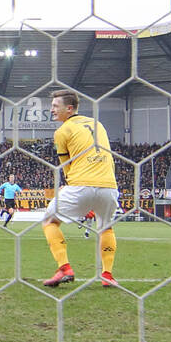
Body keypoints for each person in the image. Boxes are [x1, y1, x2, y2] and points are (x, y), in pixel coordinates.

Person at [41, 90, 120, 288]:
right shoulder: (97, 124)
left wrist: (73, 189)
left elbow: (66, 166)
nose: (51, 109)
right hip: (108, 185)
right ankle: (107, 275)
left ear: (69, 108)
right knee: (106, 227)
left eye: (55, 106)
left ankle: (64, 268)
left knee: (49, 221)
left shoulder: (62, 131)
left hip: (81, 184)